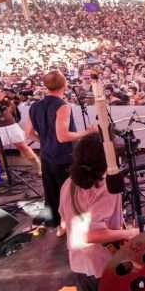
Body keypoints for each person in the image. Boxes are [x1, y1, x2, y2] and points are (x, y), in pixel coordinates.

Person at [59, 132, 139, 291]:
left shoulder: (69, 183)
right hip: (102, 264)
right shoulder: (105, 187)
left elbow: (64, 221)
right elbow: (92, 234)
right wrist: (131, 233)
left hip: (80, 262)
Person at [25, 71, 94, 233]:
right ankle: (71, 225)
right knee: (69, 193)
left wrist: (46, 141)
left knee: (52, 192)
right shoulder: (62, 106)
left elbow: (27, 133)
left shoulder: (35, 106)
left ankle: (59, 226)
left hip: (46, 156)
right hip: (63, 156)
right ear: (65, 85)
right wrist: (87, 132)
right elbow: (63, 137)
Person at [0, 72, 41, 175]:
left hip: (7, 121)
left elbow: (7, 104)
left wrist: (11, 100)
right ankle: (2, 172)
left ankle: (39, 166)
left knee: (22, 145)